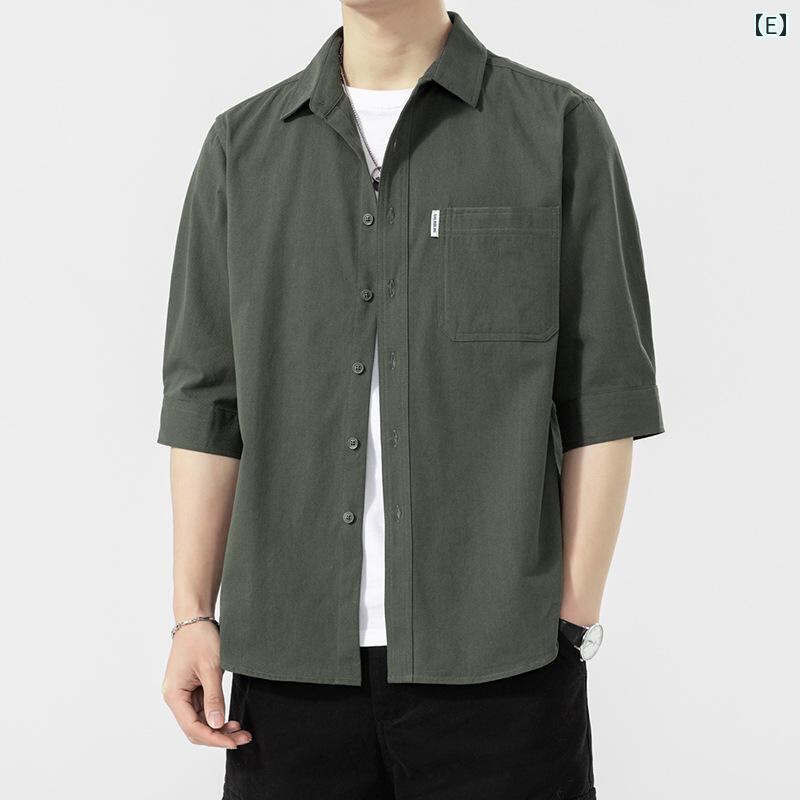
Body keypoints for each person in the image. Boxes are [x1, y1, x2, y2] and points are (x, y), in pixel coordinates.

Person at [157, 2, 664, 798]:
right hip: (289, 671)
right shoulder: (242, 146)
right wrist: (193, 615)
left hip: (504, 666)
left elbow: (605, 396)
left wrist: (570, 617)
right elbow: (206, 403)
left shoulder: (556, 128)